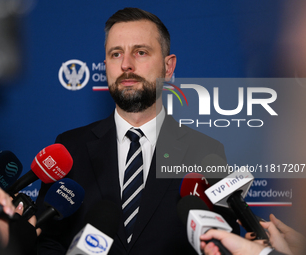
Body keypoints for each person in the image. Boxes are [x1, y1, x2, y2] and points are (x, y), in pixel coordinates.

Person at [36, 7, 239, 255]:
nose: (126, 65)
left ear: (168, 67)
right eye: (115, 54)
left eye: (140, 52)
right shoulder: (69, 148)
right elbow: (48, 242)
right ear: (106, 65)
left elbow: (224, 244)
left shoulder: (206, 152)